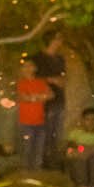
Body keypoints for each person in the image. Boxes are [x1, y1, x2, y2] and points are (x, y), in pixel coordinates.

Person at [33, 31, 67, 167]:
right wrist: (51, 80)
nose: (60, 42)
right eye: (57, 38)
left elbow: (63, 77)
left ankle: (53, 161)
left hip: (59, 99)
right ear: (50, 40)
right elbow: (32, 78)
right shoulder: (38, 58)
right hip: (44, 101)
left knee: (55, 132)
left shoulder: (60, 59)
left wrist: (61, 81)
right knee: (44, 133)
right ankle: (42, 161)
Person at [14, 55, 53, 172]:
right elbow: (24, 97)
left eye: (30, 66)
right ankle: (26, 171)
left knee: (39, 148)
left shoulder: (41, 82)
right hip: (25, 121)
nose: (27, 69)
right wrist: (40, 97)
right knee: (27, 148)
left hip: (40, 120)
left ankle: (37, 171)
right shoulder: (21, 83)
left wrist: (35, 97)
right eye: (24, 66)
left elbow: (51, 95)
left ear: (35, 68)